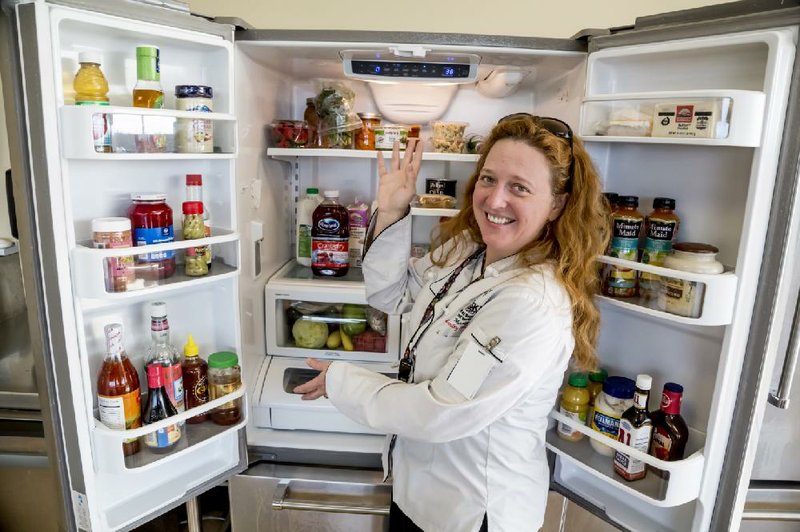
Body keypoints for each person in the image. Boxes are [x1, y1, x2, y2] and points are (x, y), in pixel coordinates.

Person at [294, 114, 609, 531]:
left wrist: (342, 381)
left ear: (557, 204)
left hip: (469, 512)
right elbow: (392, 295)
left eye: (519, 187)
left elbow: (438, 412)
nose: (495, 200)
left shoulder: (531, 302)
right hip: (417, 489)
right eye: (488, 179)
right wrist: (391, 209)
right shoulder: (469, 248)